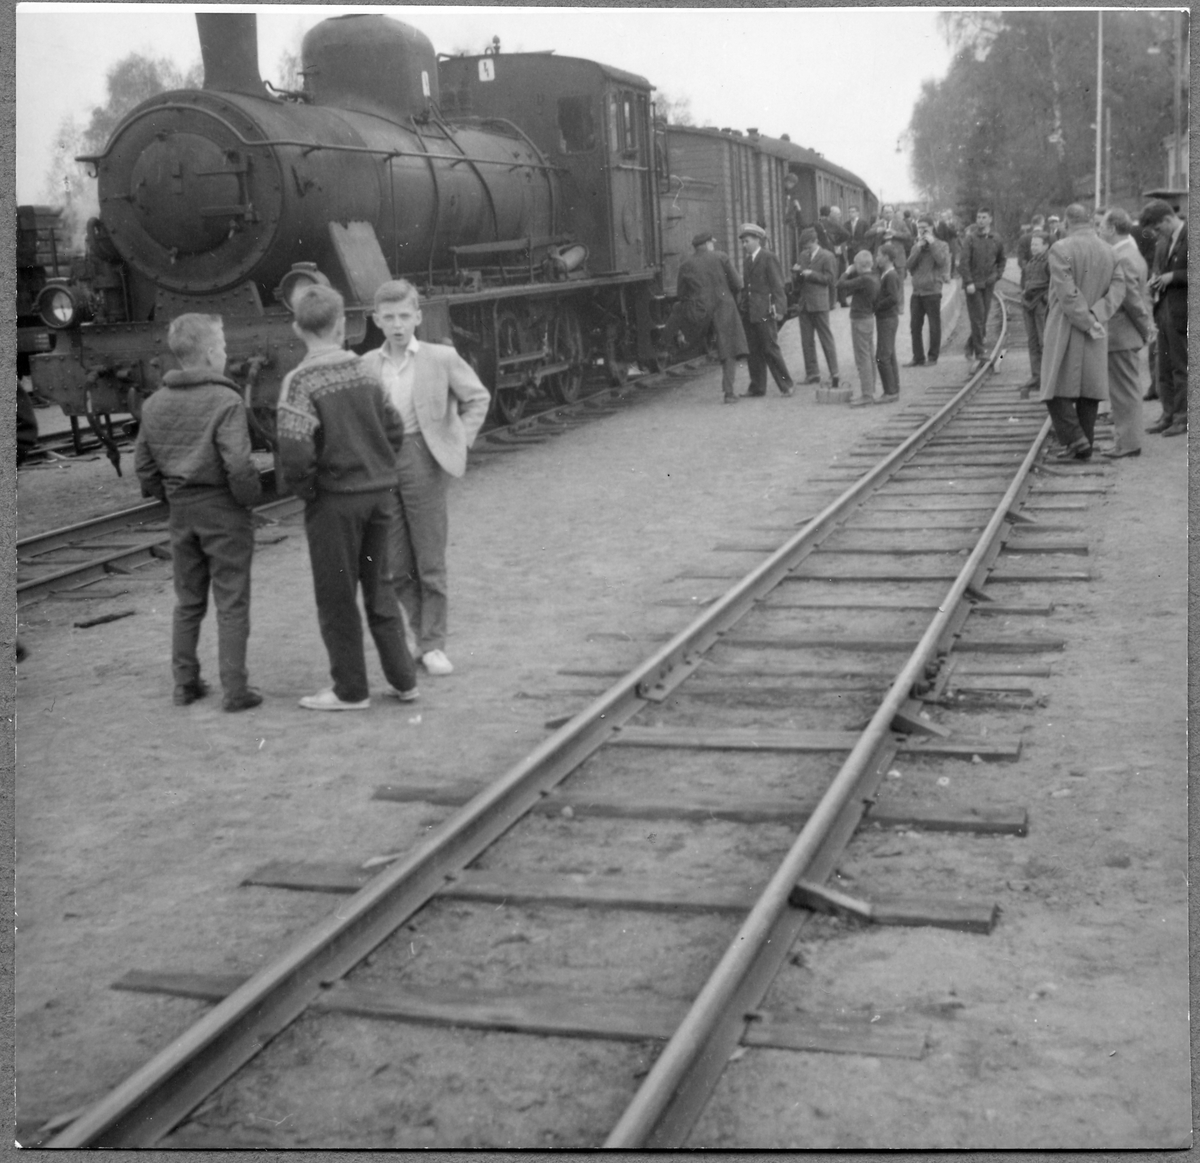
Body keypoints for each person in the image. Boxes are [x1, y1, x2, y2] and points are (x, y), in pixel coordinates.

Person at [277, 284, 419, 710]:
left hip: (334, 504)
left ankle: (351, 691)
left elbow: (295, 453)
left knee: (337, 596)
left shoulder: (299, 381)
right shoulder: (366, 371)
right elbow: (394, 428)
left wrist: (311, 491)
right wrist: (376, 467)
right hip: (378, 497)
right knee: (381, 588)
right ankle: (405, 680)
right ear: (341, 325)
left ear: (297, 329)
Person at [359, 280, 491, 674]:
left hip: (423, 459)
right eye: (389, 318)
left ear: (418, 316)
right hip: (384, 462)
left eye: (404, 316)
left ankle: (434, 644)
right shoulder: (367, 364)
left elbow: (477, 397)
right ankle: (421, 634)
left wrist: (459, 440)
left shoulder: (441, 357)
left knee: (430, 559)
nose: (398, 325)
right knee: (396, 563)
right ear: (376, 320)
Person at [133, 314, 263, 712]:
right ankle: (235, 691)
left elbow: (144, 467)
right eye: (222, 346)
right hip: (223, 511)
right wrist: (247, 499)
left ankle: (184, 684)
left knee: (188, 602)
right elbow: (238, 464)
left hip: (182, 512)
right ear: (209, 353)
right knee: (231, 601)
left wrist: (173, 496)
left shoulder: (154, 403)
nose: (225, 352)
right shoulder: (226, 400)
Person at [1038, 203, 1126, 460]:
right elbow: (1119, 289)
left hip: (1065, 325)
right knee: (1090, 389)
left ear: (1066, 223)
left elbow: (1067, 293)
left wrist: (1086, 320)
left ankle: (1076, 440)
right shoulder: (1109, 251)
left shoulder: (1060, 248)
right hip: (1097, 328)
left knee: (1053, 388)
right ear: (1089, 221)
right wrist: (1097, 315)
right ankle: (1083, 444)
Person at [661, 231, 748, 403]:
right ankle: (729, 393)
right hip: (724, 308)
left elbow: (681, 294)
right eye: (711, 243)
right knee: (729, 349)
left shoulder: (686, 264)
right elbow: (738, 284)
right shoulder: (721, 257)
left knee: (679, 311)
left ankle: (666, 344)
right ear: (708, 244)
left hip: (699, 313)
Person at [1098, 208, 1152, 458]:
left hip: (1121, 334)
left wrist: (1146, 328)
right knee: (1124, 391)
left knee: (1124, 393)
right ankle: (1126, 441)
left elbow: (1131, 299)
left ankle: (1129, 444)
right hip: (1124, 334)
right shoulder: (1131, 253)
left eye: (1102, 226)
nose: (1099, 230)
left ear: (1112, 228)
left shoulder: (1123, 257)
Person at [1140, 199, 1188, 437]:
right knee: (1164, 367)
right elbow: (1158, 269)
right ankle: (1168, 415)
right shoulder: (1163, 241)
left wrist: (1173, 277)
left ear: (1168, 220)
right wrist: (1155, 280)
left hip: (1182, 312)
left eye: (1159, 229)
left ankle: (1182, 418)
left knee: (1181, 367)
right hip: (1164, 310)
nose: (1157, 234)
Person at [737, 223, 795, 397]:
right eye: (743, 242)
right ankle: (757, 387)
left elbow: (778, 285)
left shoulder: (768, 257)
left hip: (765, 312)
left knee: (770, 349)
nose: (744, 245)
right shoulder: (747, 261)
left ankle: (787, 385)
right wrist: (743, 308)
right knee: (753, 351)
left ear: (757, 240)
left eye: (747, 241)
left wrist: (780, 309)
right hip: (750, 313)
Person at [792, 227, 841, 387]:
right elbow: (799, 280)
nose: (806, 249)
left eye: (808, 246)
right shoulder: (803, 256)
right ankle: (812, 374)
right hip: (804, 303)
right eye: (804, 247)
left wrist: (811, 274)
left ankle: (835, 373)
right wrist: (797, 273)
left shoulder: (827, 256)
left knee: (826, 339)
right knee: (806, 341)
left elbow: (830, 280)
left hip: (819, 304)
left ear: (815, 241)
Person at [960, 206, 1006, 366]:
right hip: (973, 284)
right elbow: (964, 262)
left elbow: (1002, 259)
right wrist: (968, 282)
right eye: (978, 217)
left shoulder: (996, 238)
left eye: (984, 217)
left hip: (988, 284)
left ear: (990, 219)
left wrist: (997, 275)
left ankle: (970, 345)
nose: (980, 220)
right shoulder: (970, 239)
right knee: (978, 317)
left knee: (983, 317)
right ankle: (980, 352)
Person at [905, 216, 951, 366]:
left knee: (934, 326)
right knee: (915, 326)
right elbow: (908, 265)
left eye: (925, 227)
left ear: (932, 228)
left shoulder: (942, 245)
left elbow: (942, 261)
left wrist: (932, 244)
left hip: (932, 291)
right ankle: (918, 357)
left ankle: (932, 357)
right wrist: (918, 248)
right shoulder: (916, 246)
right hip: (917, 291)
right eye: (919, 228)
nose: (922, 231)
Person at [836, 250, 880, 407]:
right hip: (868, 318)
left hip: (860, 320)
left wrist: (847, 271)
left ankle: (866, 395)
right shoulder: (874, 277)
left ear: (859, 265)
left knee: (862, 358)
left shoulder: (864, 279)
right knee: (869, 355)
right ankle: (870, 390)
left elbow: (840, 284)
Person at [1019, 232, 1051, 398]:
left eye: (1037, 244)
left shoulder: (1050, 261)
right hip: (1028, 305)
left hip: (1040, 305)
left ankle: (1047, 378)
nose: (1033, 247)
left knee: (1043, 341)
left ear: (1046, 246)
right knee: (1032, 342)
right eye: (1032, 244)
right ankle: (1036, 376)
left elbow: (1056, 283)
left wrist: (1046, 299)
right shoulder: (1031, 262)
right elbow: (1024, 282)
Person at [874, 247, 902, 403]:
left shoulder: (890, 276)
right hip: (887, 319)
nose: (876, 258)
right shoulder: (887, 274)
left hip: (887, 319)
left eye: (879, 255)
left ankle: (890, 392)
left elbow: (893, 298)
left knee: (882, 357)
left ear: (886, 257)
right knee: (889, 355)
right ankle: (894, 388)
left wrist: (876, 306)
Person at [935, 208, 960, 279]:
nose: (949, 215)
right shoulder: (942, 223)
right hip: (946, 242)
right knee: (947, 258)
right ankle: (947, 273)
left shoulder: (955, 221)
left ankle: (952, 273)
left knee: (953, 257)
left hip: (953, 241)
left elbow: (957, 231)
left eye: (950, 213)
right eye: (947, 214)